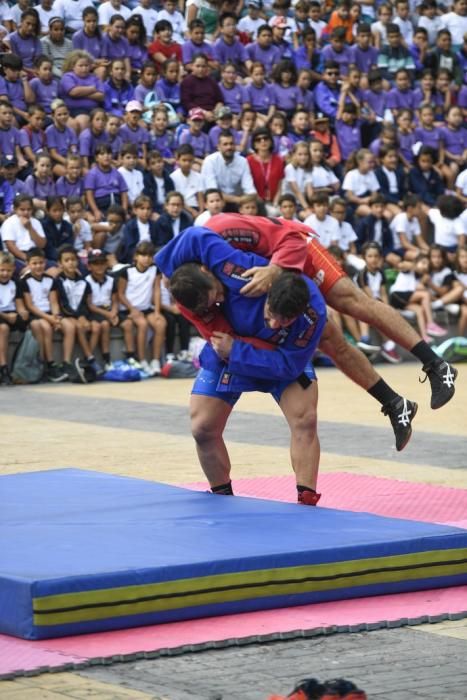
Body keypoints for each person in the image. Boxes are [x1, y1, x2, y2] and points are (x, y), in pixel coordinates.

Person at [200, 213, 458, 436]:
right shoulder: (199, 278)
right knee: (331, 342)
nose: (218, 299)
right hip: (279, 283)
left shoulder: (218, 229)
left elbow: (288, 236)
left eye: (215, 293)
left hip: (294, 253)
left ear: (203, 268)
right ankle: (395, 403)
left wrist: (276, 267)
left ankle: (436, 364)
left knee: (353, 302)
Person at [155, 227, 327, 504]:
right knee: (202, 428)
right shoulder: (241, 274)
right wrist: (165, 268)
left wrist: (238, 349)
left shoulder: (313, 313)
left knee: (305, 419)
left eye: (283, 322)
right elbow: (195, 237)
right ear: (265, 290)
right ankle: (222, 499)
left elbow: (289, 366)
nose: (273, 325)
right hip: (230, 354)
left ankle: (306, 498)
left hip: (273, 359)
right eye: (270, 315)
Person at [20, 246, 70, 382]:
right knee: (46, 328)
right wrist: (50, 319)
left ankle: (67, 363)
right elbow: (30, 306)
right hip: (35, 314)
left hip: (50, 314)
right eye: (34, 263)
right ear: (28, 264)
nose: (38, 266)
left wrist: (57, 317)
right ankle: (48, 364)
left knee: (70, 326)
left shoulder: (50, 280)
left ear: (46, 262)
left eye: (41, 263)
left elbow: (53, 302)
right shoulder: (24, 281)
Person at [118, 240, 167, 376]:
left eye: (150, 256)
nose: (146, 259)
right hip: (129, 309)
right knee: (142, 324)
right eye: (143, 255)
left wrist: (157, 311)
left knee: (161, 323)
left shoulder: (155, 270)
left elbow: (156, 290)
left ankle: (155, 361)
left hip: (147, 308)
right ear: (136, 256)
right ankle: (142, 360)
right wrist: (132, 310)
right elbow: (120, 294)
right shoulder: (126, 271)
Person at [200, 132, 256, 211]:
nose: (229, 147)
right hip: (218, 202)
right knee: (215, 202)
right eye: (225, 144)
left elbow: (250, 190)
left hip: (239, 202)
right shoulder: (210, 161)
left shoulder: (242, 161)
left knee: (256, 206)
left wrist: (243, 199)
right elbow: (212, 192)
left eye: (231, 144)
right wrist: (238, 199)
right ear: (218, 147)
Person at [0, 250, 29, 384]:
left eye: (8, 271)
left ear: (13, 270)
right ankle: (4, 367)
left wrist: (22, 313)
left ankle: (23, 366)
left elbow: (19, 304)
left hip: (10, 313)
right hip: (2, 315)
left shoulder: (15, 283)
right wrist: (6, 316)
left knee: (30, 325)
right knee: (4, 328)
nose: (5, 274)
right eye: (2, 270)